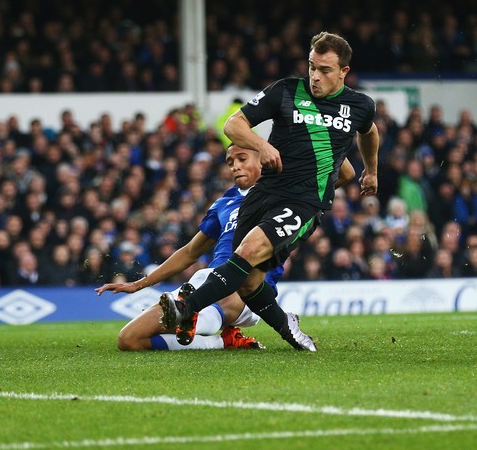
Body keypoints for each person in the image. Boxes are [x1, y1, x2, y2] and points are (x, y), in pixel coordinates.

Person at [162, 31, 379, 351]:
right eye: (311, 67)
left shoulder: (360, 105)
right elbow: (233, 125)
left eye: (325, 70)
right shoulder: (286, 91)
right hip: (264, 194)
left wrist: (371, 170)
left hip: (305, 202)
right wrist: (260, 144)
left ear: (344, 72)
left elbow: (369, 132)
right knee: (249, 281)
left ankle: (187, 308)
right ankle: (288, 328)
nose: (315, 76)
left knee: (247, 252)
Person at [95, 145, 355, 351]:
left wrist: (323, 134)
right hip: (205, 280)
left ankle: (190, 313)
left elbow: (345, 175)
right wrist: (139, 284)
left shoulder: (287, 193)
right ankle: (218, 340)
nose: (235, 167)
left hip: (248, 291)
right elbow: (189, 252)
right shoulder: (224, 203)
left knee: (234, 284)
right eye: (230, 162)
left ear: (263, 159)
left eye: (242, 159)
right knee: (129, 339)